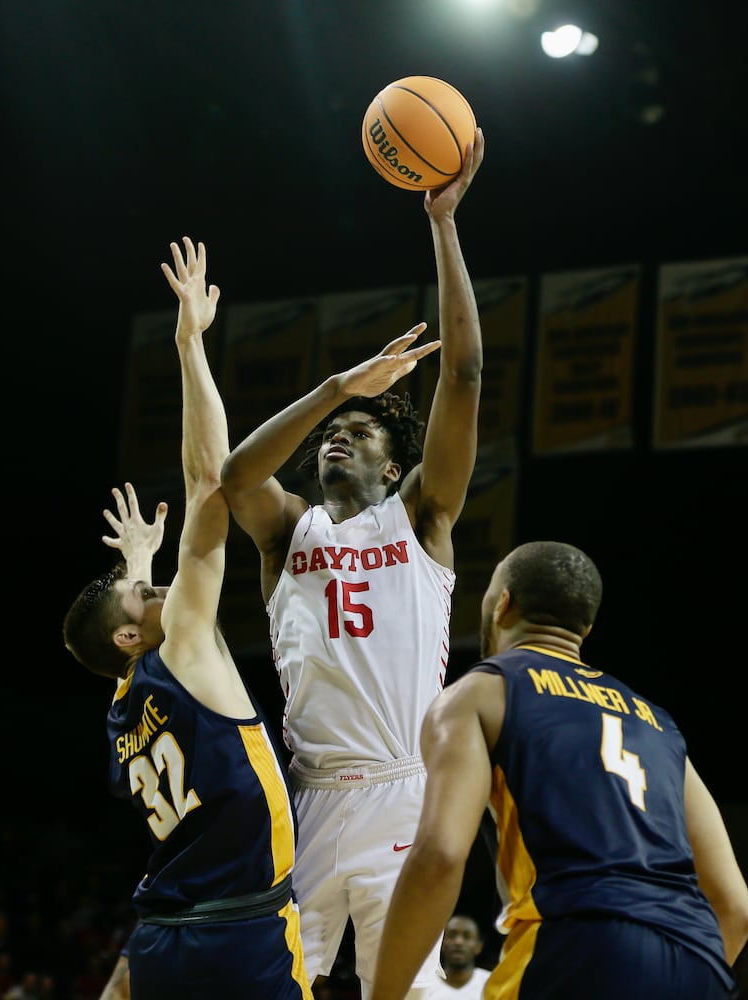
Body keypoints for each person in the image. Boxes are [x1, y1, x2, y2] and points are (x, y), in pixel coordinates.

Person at [217, 130, 486, 997]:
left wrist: (443, 226)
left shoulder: (423, 520)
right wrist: (339, 389)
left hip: (404, 796)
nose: (338, 438)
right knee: (264, 987)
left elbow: (467, 376)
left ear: (391, 464)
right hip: (305, 801)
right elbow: (234, 475)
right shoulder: (286, 533)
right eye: (333, 434)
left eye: (360, 432)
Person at [61, 236, 313, 1000]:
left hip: (164, 934)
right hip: (242, 935)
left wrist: (135, 569)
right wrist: (190, 342)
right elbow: (213, 481)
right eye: (143, 592)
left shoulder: (119, 705)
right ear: (136, 633)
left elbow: (125, 633)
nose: (158, 586)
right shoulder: (189, 647)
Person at [369, 541, 748, 1000]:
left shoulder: (478, 693)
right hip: (699, 961)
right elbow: (736, 910)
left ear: (502, 605)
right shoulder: (658, 724)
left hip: (578, 944)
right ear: (585, 628)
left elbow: (441, 857)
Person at [423, 914, 489, 999]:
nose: (458, 942)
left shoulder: (491, 982)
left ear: (479, 946)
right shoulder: (424, 984)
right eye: (452, 935)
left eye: (467, 936)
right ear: (441, 944)